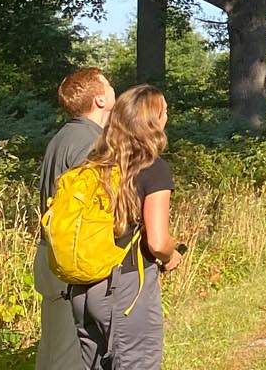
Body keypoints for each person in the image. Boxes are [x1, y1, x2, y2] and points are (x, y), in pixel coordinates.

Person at [67, 85, 182, 370]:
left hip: (83, 289)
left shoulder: (93, 164)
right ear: (153, 121)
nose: (167, 116)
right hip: (125, 288)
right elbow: (157, 241)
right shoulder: (152, 168)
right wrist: (172, 255)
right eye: (164, 111)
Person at [33, 68, 116, 370]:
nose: (113, 89)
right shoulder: (89, 143)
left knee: (58, 350)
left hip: (56, 256)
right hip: (71, 262)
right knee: (67, 357)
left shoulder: (66, 135)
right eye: (108, 85)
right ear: (99, 99)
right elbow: (93, 212)